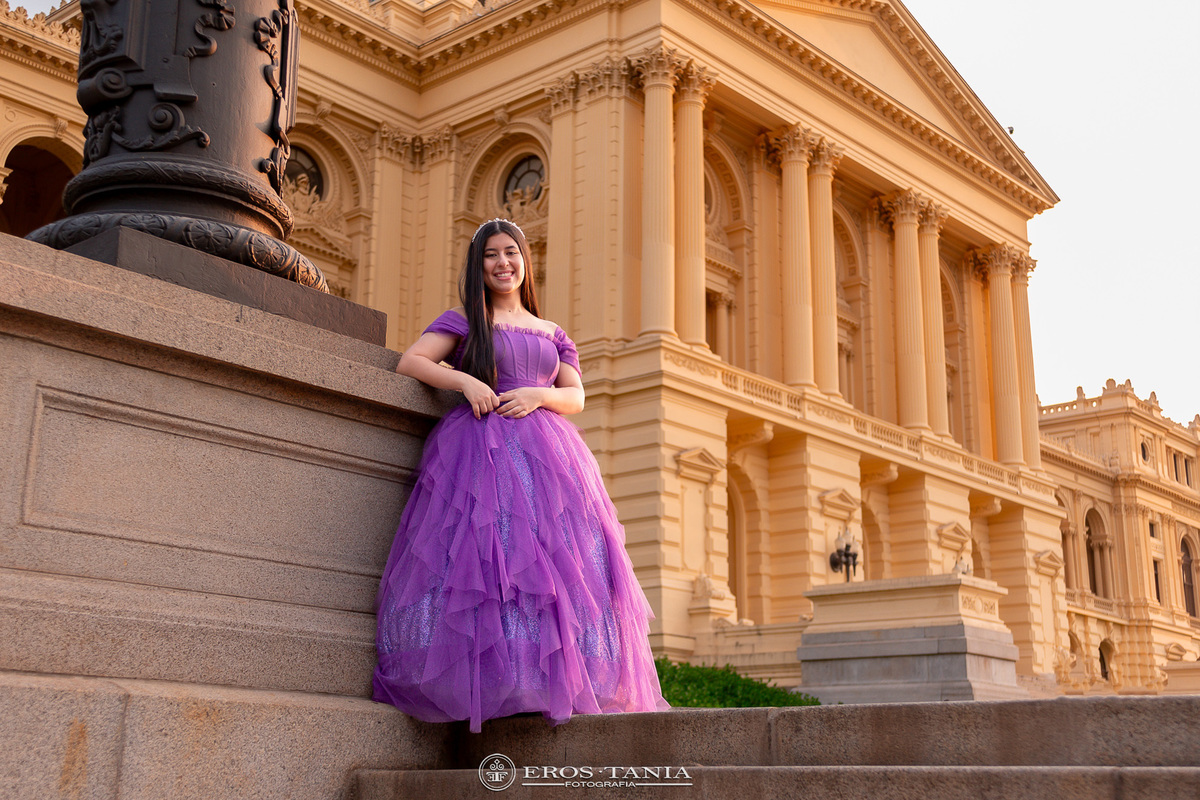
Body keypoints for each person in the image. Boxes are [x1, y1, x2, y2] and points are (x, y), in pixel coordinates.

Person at [373, 218, 668, 732]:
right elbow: (412, 361)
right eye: (491, 255)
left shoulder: (553, 333)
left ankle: (546, 678)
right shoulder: (465, 321)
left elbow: (576, 397)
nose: (503, 263)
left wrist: (538, 395)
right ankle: (501, 676)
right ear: (478, 266)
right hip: (480, 452)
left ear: (526, 262)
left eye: (511, 253)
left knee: (558, 566)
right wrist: (465, 380)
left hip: (550, 458)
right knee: (494, 560)